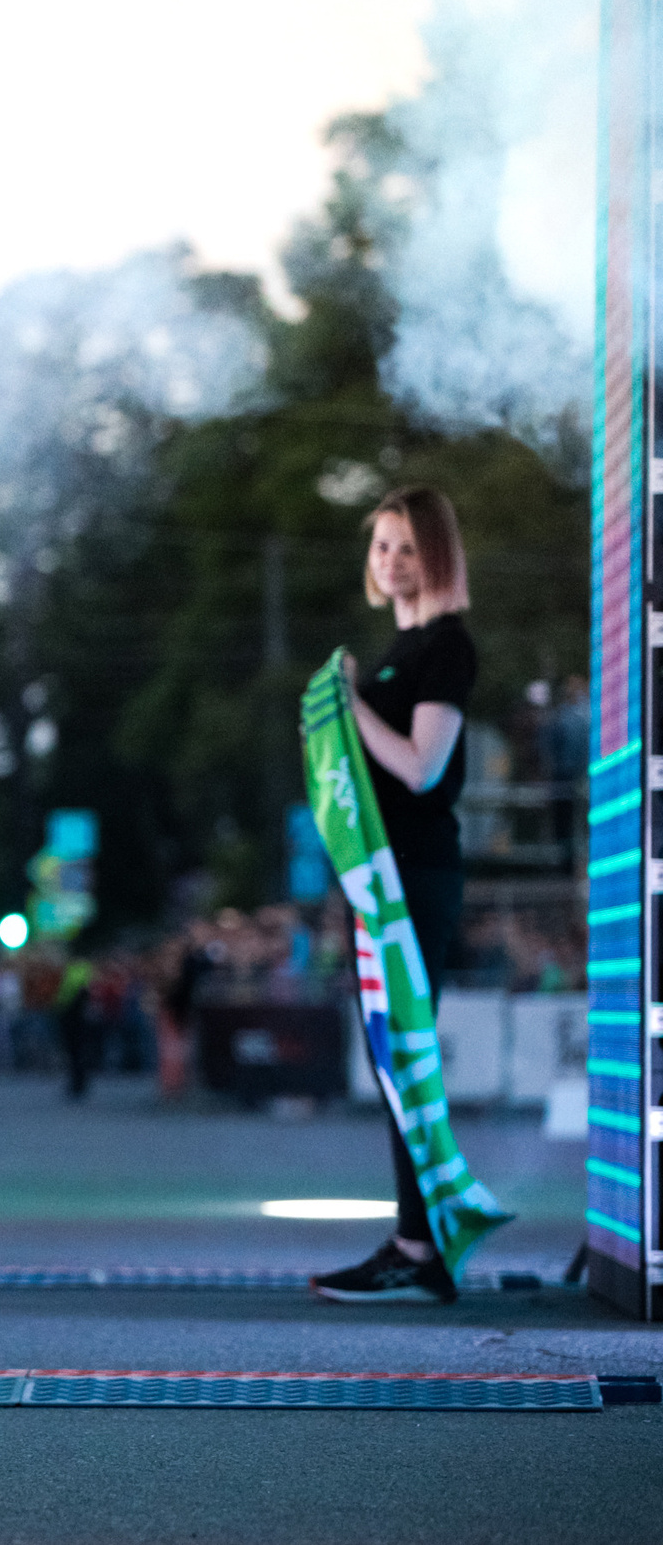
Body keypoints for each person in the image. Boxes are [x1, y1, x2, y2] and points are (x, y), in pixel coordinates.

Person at [312, 485, 477, 1306]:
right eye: (381, 545)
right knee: (393, 1061)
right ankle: (420, 1241)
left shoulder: (446, 647)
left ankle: (420, 1244)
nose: (391, 561)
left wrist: (348, 706)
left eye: (407, 546)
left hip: (415, 873)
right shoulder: (396, 650)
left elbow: (422, 767)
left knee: (405, 1060)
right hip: (378, 874)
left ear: (438, 553)